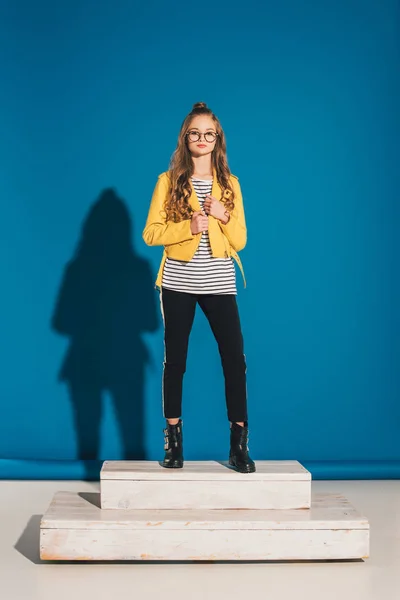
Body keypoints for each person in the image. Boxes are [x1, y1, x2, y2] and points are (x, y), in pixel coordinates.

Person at [142, 101, 255, 473]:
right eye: (195, 133)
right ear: (186, 138)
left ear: (217, 138)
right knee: (175, 361)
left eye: (209, 133)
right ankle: (173, 441)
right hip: (178, 281)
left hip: (219, 283)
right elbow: (150, 234)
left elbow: (239, 239)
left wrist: (222, 215)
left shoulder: (230, 185)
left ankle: (239, 445)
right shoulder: (168, 181)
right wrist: (186, 227)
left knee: (234, 361)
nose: (202, 139)